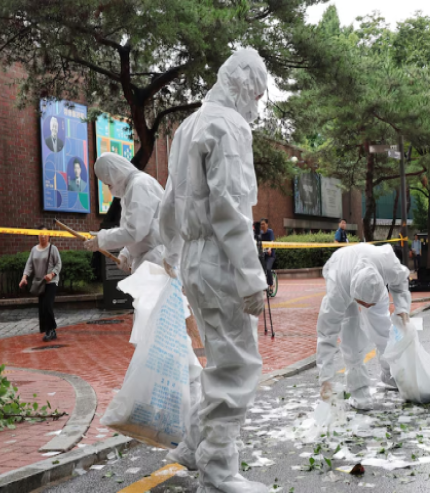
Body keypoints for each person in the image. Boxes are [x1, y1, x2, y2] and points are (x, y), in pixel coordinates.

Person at [158, 48, 269, 493]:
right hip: (222, 260)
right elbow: (231, 207)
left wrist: (171, 251)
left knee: (218, 361)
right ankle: (219, 471)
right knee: (237, 366)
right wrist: (251, 276)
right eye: (257, 94)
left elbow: (171, 199)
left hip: (194, 259)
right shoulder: (229, 125)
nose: (256, 106)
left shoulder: (189, 125)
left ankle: (193, 444)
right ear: (242, 83)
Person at [317, 243, 410, 410]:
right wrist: (325, 379)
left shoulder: (386, 263)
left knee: (383, 329)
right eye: (363, 303)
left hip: (370, 275)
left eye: (370, 304)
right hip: (342, 276)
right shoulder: (337, 291)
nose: (366, 307)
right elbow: (327, 335)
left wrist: (402, 308)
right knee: (351, 338)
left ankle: (392, 375)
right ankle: (360, 394)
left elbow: (400, 281)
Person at [83, 152, 164, 274]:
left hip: (158, 262)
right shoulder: (133, 188)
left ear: (113, 175)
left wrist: (102, 239)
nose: (109, 188)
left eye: (108, 183)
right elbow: (143, 231)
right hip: (152, 261)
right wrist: (127, 253)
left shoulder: (139, 185)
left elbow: (135, 231)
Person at [20, 227, 62, 342]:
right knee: (42, 308)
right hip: (40, 282)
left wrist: (52, 274)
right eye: (40, 234)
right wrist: (24, 278)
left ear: (49, 236)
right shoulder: (34, 250)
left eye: (45, 234)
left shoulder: (53, 249)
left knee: (47, 305)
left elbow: (58, 264)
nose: (43, 236)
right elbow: (29, 265)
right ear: (37, 235)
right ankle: (48, 330)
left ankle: (51, 330)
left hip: (51, 282)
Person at [258, 218, 275, 289]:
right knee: (260, 270)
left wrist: (269, 249)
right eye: (261, 224)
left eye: (263, 224)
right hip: (263, 255)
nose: (262, 226)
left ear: (267, 224)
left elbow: (272, 242)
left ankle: (271, 285)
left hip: (270, 255)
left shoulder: (270, 232)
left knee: (268, 269)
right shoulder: (260, 233)